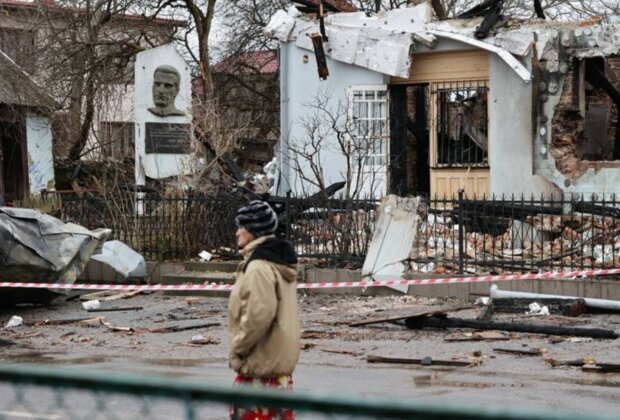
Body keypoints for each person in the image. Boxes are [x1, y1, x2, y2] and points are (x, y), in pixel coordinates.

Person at [228, 200, 300, 420]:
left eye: (242, 227)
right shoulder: (277, 262)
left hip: (259, 367)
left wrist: (238, 347)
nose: (237, 233)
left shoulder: (259, 267)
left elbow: (258, 316)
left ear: (253, 231)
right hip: (275, 369)